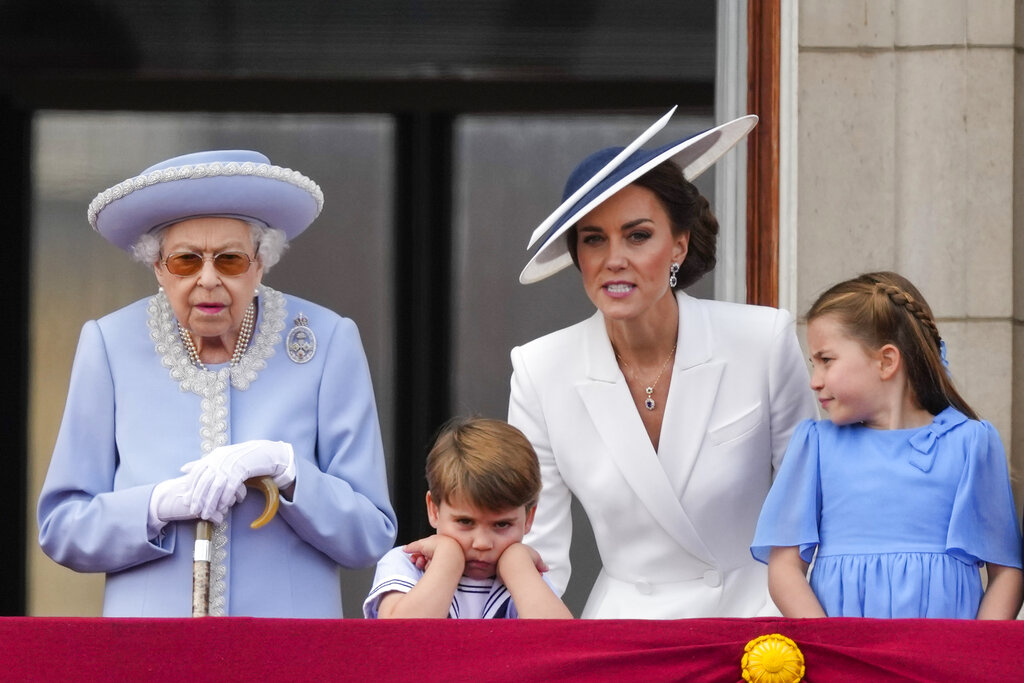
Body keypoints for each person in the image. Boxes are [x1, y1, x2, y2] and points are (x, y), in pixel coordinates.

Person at [37, 150, 397, 617]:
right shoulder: (109, 345)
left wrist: (289, 473)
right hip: (150, 652)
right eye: (186, 261)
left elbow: (369, 535)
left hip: (288, 650)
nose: (208, 280)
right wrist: (156, 505)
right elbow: (61, 527)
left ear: (261, 264)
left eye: (230, 260)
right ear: (158, 268)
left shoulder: (327, 342)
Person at [507, 108, 819, 618]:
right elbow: (537, 551)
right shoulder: (539, 370)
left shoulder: (761, 339)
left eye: (637, 235)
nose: (614, 259)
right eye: (593, 239)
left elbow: (809, 513)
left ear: (678, 244)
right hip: (625, 634)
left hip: (758, 622)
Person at [751, 271, 1023, 619]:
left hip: (942, 662)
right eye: (812, 364)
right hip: (846, 660)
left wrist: (973, 655)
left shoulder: (972, 444)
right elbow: (785, 569)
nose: (814, 382)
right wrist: (832, 648)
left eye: (826, 360)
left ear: (887, 361)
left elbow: (1006, 573)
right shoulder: (815, 446)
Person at [363, 417, 572, 619]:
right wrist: (448, 561)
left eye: (502, 524)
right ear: (434, 510)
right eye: (465, 522)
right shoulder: (407, 563)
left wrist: (519, 569)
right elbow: (397, 638)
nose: (482, 543)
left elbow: (564, 643)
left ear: (528, 518)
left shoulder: (524, 574)